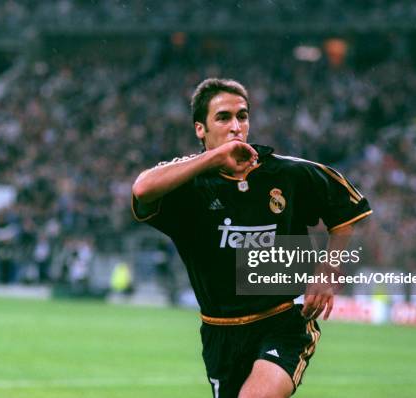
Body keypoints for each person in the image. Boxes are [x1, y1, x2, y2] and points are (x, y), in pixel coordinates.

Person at [131, 78, 372, 398]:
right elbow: (141, 189)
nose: (235, 126)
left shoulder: (288, 174)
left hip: (283, 320)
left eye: (242, 116)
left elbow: (346, 212)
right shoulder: (188, 185)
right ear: (200, 129)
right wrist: (215, 158)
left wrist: (327, 270)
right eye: (223, 117)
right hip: (220, 332)